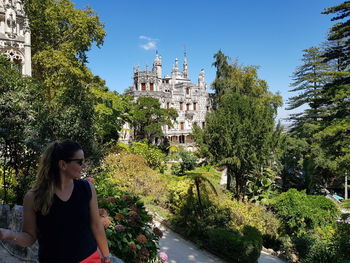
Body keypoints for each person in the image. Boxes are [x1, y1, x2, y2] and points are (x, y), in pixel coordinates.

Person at [0, 140, 112, 263]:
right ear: (63, 164)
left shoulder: (86, 188)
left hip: (89, 259)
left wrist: (106, 256)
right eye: (80, 162)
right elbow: (30, 237)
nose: (83, 166)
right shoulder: (33, 197)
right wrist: (5, 234)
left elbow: (96, 225)